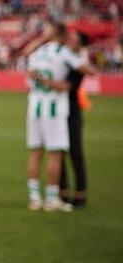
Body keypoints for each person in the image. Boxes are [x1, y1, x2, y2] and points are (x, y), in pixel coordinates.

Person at [23, 21, 92, 212]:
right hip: (54, 109)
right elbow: (87, 70)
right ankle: (52, 199)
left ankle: (34, 198)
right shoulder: (63, 53)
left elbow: (27, 61)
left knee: (35, 153)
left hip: (34, 107)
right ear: (62, 35)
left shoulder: (37, 52)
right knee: (55, 154)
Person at [59, 29, 95, 208]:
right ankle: (63, 193)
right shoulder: (66, 57)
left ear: (80, 43)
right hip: (60, 111)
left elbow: (67, 86)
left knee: (75, 153)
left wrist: (42, 79)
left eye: (73, 39)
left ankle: (80, 194)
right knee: (58, 152)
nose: (69, 40)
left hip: (72, 111)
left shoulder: (78, 62)